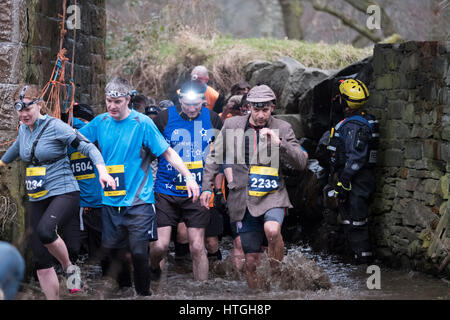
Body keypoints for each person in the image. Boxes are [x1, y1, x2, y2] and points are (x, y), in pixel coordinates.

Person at [79, 77, 200, 296]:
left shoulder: (142, 123)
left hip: (139, 201)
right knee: (116, 253)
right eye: (109, 101)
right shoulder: (100, 122)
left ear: (128, 100)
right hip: (110, 200)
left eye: (118, 102)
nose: (112, 106)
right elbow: (75, 140)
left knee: (138, 252)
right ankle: (125, 291)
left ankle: (144, 293)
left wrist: (188, 176)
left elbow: (167, 152)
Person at [0, 84, 116, 299]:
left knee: (46, 232)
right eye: (20, 110)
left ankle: (69, 267)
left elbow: (88, 147)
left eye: (28, 109)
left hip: (64, 192)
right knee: (41, 260)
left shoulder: (56, 127)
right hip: (37, 195)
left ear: (39, 105)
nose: (23, 114)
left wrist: (102, 171)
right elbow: (17, 148)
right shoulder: (24, 129)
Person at [200, 85, 308, 288]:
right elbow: (215, 157)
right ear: (248, 106)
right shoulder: (232, 125)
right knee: (251, 263)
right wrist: (207, 188)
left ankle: (277, 271)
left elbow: (301, 163)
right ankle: (258, 297)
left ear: (272, 107)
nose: (260, 115)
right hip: (242, 198)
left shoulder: (283, 128)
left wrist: (279, 144)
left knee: (272, 229)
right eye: (256, 109)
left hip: (272, 194)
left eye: (265, 110)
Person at [150, 80, 222, 281]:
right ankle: (156, 282)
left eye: (196, 104)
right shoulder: (164, 118)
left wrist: (214, 187)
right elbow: (149, 150)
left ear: (203, 101)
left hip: (198, 192)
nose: (191, 108)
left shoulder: (214, 119)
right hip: (166, 190)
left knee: (198, 246)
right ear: (179, 100)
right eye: (186, 104)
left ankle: (202, 292)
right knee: (160, 246)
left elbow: (220, 155)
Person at [326, 79, 379, 265]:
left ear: (345, 102)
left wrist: (342, 183)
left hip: (356, 181)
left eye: (339, 97)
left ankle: (363, 264)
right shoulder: (364, 120)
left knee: (356, 222)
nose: (336, 99)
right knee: (351, 221)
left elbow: (355, 159)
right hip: (357, 180)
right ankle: (357, 260)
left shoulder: (354, 126)